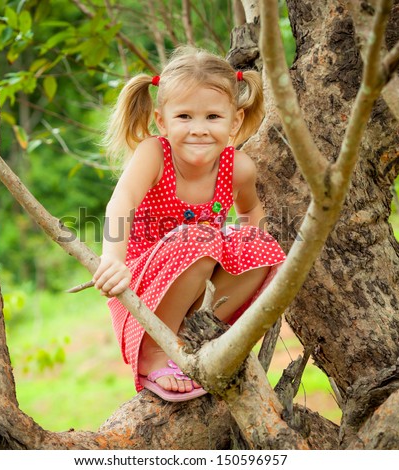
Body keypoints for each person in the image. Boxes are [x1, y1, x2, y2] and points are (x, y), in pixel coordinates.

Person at [93, 46, 286, 402]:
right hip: (142, 287)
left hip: (200, 285)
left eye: (213, 117)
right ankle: (154, 353)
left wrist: (266, 261)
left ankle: (194, 337)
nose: (199, 129)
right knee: (202, 237)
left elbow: (252, 216)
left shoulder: (238, 168)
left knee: (264, 249)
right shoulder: (154, 155)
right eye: (184, 116)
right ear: (162, 121)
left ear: (235, 122)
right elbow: (121, 204)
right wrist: (113, 261)